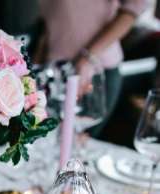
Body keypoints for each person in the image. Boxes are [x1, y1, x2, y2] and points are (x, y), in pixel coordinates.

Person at [36, 0, 148, 133]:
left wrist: (87, 58)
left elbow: (134, 7)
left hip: (96, 73)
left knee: (79, 143)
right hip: (52, 73)